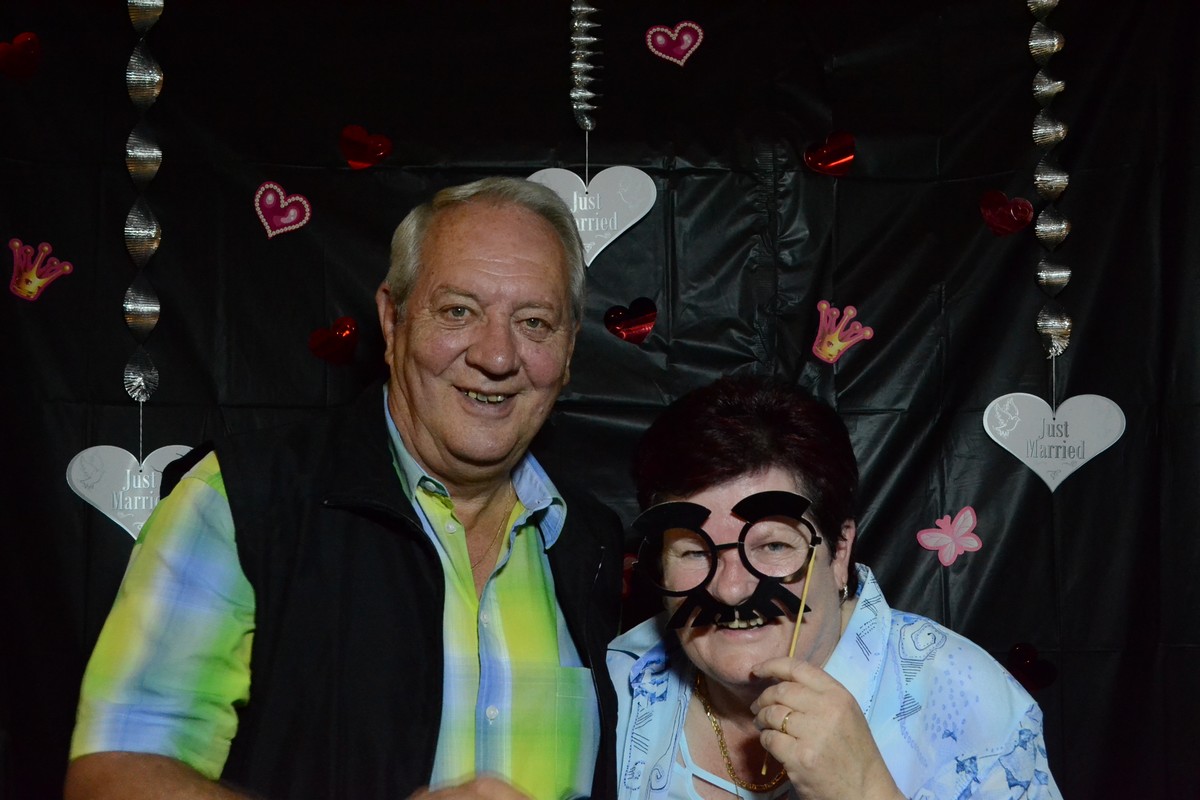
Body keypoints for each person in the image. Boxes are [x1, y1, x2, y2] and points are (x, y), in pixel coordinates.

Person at [65, 177, 624, 800]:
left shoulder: (590, 543)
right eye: (458, 311)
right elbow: (109, 778)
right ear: (392, 319)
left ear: (568, 350)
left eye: (534, 322)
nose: (496, 356)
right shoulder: (240, 502)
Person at [608, 377, 1060, 800]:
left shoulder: (970, 703)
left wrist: (865, 791)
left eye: (773, 546)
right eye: (693, 552)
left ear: (840, 552)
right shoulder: (615, 687)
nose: (731, 589)